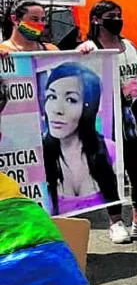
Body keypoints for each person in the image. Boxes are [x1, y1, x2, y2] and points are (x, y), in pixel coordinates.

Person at [77, 0, 137, 243]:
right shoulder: (91, 48)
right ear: (97, 19)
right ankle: (115, 221)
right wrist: (84, 53)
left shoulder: (129, 45)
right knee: (110, 170)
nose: (117, 19)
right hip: (107, 118)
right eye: (111, 15)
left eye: (119, 14)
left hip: (134, 118)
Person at [41, 62, 121, 215]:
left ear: (88, 107)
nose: (57, 110)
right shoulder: (37, 158)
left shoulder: (110, 151)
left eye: (71, 99)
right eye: (52, 96)